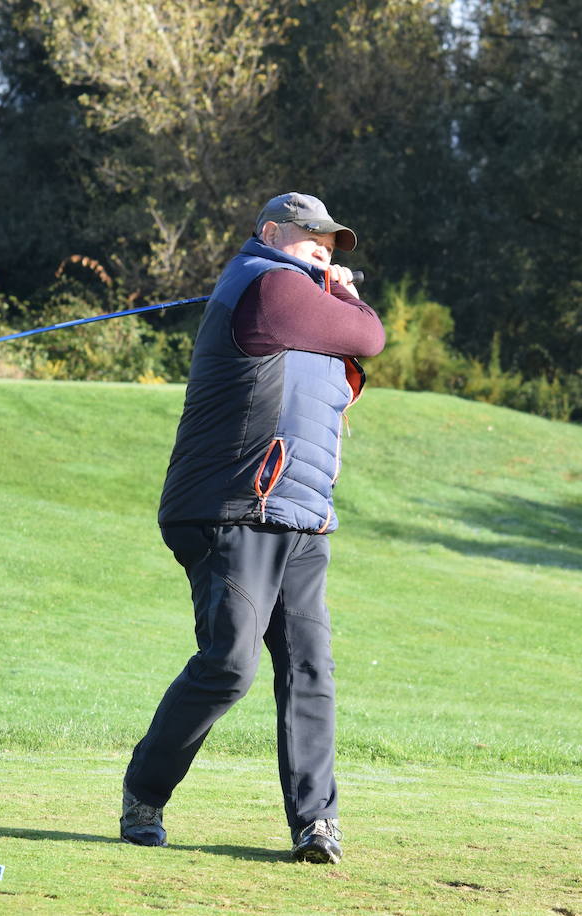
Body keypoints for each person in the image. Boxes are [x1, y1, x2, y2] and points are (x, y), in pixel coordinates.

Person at [121, 192, 385, 864]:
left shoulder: (299, 298)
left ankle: (315, 824)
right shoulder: (268, 285)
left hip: (298, 515)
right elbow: (370, 337)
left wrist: (336, 293)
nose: (325, 250)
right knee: (230, 666)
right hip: (231, 506)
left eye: (332, 244)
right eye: (310, 238)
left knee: (309, 670)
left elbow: (350, 352)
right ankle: (145, 792)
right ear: (270, 233)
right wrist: (345, 295)